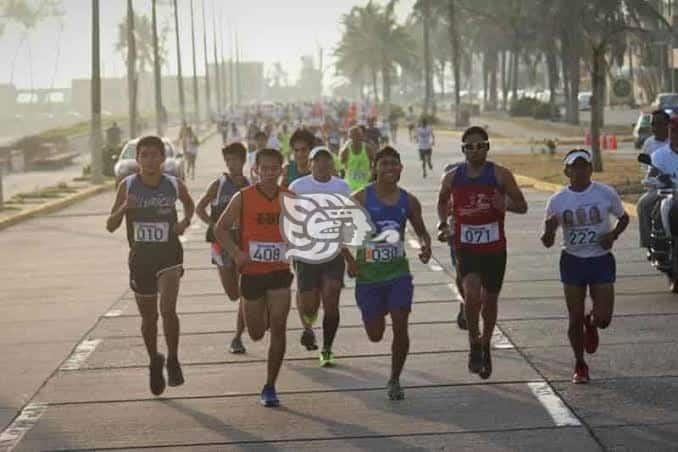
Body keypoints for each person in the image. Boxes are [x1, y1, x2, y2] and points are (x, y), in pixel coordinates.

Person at [436, 126, 528, 380]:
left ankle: (485, 343)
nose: (475, 151)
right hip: (466, 248)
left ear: (487, 147)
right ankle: (473, 342)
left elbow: (522, 205)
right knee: (472, 294)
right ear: (463, 150)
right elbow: (442, 201)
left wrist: (505, 204)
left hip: (495, 249)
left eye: (480, 145)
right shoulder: (453, 177)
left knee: (490, 301)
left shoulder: (500, 175)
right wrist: (444, 224)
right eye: (470, 147)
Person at [106, 135, 194, 396]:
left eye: (155, 155)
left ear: (163, 158)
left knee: (167, 309)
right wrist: (124, 208)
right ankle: (155, 360)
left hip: (169, 256)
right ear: (138, 159)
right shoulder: (128, 185)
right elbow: (110, 225)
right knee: (149, 317)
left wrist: (185, 222)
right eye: (144, 155)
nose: (150, 160)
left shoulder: (174, 184)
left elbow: (190, 205)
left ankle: (174, 359)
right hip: (141, 259)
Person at [345, 146, 432, 400]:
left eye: (394, 164)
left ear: (401, 168)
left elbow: (422, 232)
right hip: (369, 278)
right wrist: (349, 259)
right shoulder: (360, 198)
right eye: (384, 164)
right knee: (375, 334)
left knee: (401, 324)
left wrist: (426, 246)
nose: (390, 168)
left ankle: (394, 379)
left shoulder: (409, 201)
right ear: (374, 168)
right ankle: (378, 309)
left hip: (398, 275)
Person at [541, 149, 629, 384]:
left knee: (604, 318)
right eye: (574, 167)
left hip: (600, 259)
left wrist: (613, 235)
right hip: (573, 260)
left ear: (590, 169)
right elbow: (547, 242)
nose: (579, 171)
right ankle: (580, 364)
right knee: (574, 317)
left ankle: (592, 324)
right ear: (566, 171)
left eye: (584, 166)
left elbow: (624, 217)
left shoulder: (605, 193)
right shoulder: (558, 201)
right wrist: (549, 231)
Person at [215, 148, 294, 407]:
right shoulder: (243, 197)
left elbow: (305, 231)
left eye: (274, 169)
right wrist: (236, 253)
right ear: (256, 170)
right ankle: (266, 317)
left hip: (280, 271)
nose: (269, 173)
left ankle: (270, 385)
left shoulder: (290, 198)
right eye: (265, 168)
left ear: (281, 170)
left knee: (279, 327)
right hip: (252, 274)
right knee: (257, 333)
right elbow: (220, 228)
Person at [289, 146, 351, 365]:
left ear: (333, 164)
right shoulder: (298, 186)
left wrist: (350, 256)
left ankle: (327, 348)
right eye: (318, 160)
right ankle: (308, 326)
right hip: (306, 253)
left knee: (331, 296)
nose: (323, 165)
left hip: (333, 252)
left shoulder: (342, 186)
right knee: (309, 304)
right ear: (310, 164)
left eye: (327, 161)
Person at [196, 142, 249, 354]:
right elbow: (200, 208)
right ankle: (251, 310)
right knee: (233, 294)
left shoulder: (249, 184)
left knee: (245, 292)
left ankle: (237, 337)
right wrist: (213, 225)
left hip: (242, 243)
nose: (231, 164)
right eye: (227, 160)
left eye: (234, 160)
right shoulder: (218, 184)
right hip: (220, 244)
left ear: (243, 161)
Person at [637, 110, 670, 249]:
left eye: (660, 124)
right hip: (658, 189)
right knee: (643, 205)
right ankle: (649, 243)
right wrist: (653, 177)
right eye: (653, 124)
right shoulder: (649, 144)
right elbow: (646, 169)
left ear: (668, 125)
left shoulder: (674, 142)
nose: (656, 128)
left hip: (676, 187)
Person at [341, 125, 376, 192]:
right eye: (353, 135)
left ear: (361, 136)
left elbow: (376, 163)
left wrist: (372, 177)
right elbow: (342, 168)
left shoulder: (367, 148)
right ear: (350, 137)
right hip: (350, 186)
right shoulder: (346, 150)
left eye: (358, 135)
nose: (356, 137)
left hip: (365, 185)